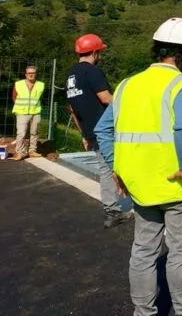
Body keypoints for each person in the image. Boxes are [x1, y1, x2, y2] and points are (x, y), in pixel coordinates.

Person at [94, 17, 182, 316]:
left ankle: (143, 312)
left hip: (140, 185)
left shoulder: (126, 85)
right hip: (177, 184)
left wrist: (116, 168)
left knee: (144, 251)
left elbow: (102, 131)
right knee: (180, 254)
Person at [66, 33, 131, 228]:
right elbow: (105, 98)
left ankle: (112, 209)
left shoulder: (71, 75)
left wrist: (84, 134)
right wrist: (129, 107)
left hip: (90, 130)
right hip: (106, 130)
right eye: (100, 52)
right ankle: (116, 209)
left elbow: (72, 109)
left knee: (106, 168)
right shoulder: (93, 72)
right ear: (95, 52)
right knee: (114, 167)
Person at [11, 65, 45, 160]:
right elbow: (14, 96)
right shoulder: (18, 84)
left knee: (35, 132)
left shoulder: (41, 85)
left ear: (36, 74)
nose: (31, 75)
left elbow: (39, 98)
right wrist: (19, 106)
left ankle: (32, 150)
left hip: (36, 111)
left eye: (33, 73)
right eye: (29, 73)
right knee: (21, 133)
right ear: (26, 74)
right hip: (22, 112)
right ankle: (20, 152)